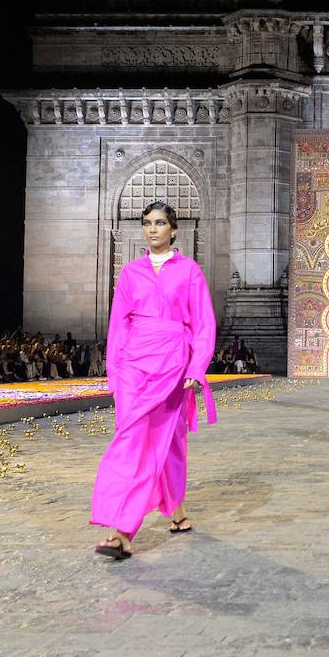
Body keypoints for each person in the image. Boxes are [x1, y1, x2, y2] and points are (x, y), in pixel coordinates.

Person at [91, 201, 217, 560]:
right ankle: (122, 530)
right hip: (133, 366)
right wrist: (114, 373)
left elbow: (204, 325)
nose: (152, 229)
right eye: (147, 223)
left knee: (169, 442)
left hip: (173, 365)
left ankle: (176, 510)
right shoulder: (130, 273)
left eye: (160, 223)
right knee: (133, 442)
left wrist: (196, 368)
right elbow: (118, 326)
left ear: (173, 229)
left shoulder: (190, 271)